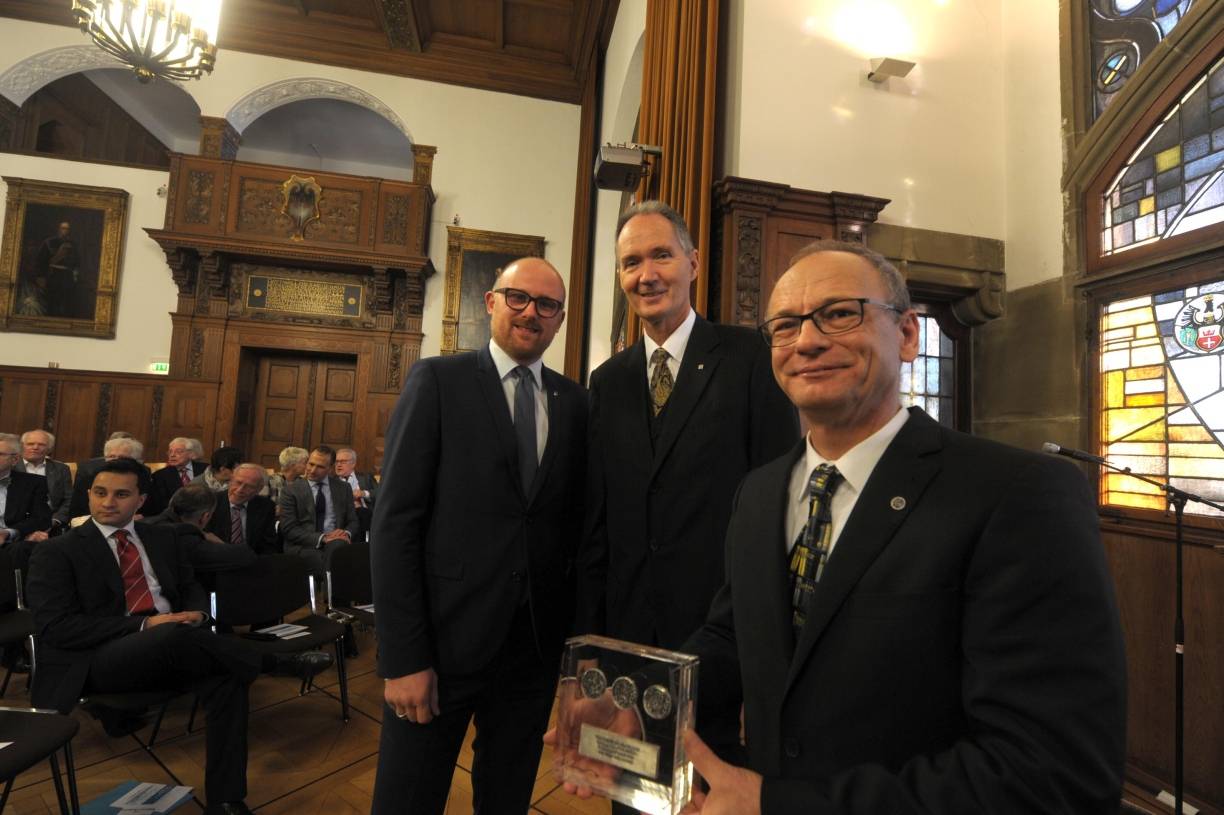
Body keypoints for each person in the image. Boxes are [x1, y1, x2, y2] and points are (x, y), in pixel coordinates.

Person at [557, 241, 1127, 813]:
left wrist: (782, 806)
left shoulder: (1017, 494)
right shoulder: (758, 494)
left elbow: (1055, 770)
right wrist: (644, 700)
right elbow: (734, 635)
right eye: (785, 326)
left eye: (838, 314)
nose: (806, 340)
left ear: (907, 335)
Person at [576, 202, 797, 769]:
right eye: (630, 262)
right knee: (631, 791)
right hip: (629, 643)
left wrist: (766, 654)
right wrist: (591, 647)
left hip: (722, 637)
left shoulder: (750, 358)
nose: (646, 274)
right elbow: (597, 522)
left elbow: (779, 507)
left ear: (693, 263)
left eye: (661, 255)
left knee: (711, 791)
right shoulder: (608, 381)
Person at [371, 257, 587, 814]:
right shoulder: (438, 381)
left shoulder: (575, 404)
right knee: (407, 799)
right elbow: (395, 527)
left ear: (560, 319)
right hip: (440, 648)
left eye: (546, 305)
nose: (530, 313)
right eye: (518, 298)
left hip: (531, 653)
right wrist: (402, 658)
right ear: (490, 302)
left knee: (507, 799)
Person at [27, 457, 332, 815]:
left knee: (226, 678)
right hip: (99, 657)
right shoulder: (58, 550)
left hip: (176, 644)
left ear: (141, 500)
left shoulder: (162, 537)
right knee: (172, 634)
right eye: (100, 493)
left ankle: (225, 799)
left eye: (121, 494)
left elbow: (189, 586)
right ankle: (272, 661)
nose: (108, 502)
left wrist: (199, 613)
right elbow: (56, 627)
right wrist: (145, 626)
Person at [278, 446, 359, 579]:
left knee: (337, 549)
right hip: (304, 545)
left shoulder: (343, 488)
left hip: (336, 542)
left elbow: (353, 520)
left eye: (320, 467)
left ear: (330, 467)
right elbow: (288, 528)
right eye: (311, 464)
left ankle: (331, 596)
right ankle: (333, 597)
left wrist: (345, 533)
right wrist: (323, 538)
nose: (312, 470)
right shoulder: (291, 491)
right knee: (326, 559)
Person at [143, 482, 257, 576]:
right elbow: (246, 555)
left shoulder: (144, 524)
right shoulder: (186, 540)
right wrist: (221, 544)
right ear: (205, 517)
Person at [0, 433, 52, 575]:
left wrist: (8, 533)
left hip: (10, 542)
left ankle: (15, 597)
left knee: (22, 550)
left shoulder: (33, 483)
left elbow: (42, 518)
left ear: (15, 459)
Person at [203, 463, 279, 556]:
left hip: (251, 561)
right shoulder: (210, 502)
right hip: (216, 558)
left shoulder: (265, 506)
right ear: (230, 481)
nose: (239, 490)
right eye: (238, 482)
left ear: (258, 489)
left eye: (249, 486)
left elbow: (268, 544)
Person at [68, 433, 142, 520]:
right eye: (112, 456)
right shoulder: (89, 474)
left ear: (134, 460)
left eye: (122, 457)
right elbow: (78, 508)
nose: (116, 460)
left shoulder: (142, 473)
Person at [16, 428, 73, 534]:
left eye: (41, 444)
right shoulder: (11, 467)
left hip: (51, 524)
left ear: (49, 448)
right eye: (30, 444)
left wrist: (55, 520)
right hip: (15, 523)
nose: (35, 447)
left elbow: (69, 499)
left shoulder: (61, 469)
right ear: (22, 446)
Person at [147, 437, 208, 518]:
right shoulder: (159, 476)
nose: (172, 455)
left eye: (178, 452)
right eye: (170, 451)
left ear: (191, 454)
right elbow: (159, 504)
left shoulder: (205, 470)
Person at [333, 447, 377, 541]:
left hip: (368, 513)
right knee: (360, 514)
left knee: (363, 513)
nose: (338, 465)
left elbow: (380, 493)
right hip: (346, 516)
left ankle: (366, 544)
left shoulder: (366, 478)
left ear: (353, 464)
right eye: (337, 462)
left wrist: (364, 493)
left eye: (343, 461)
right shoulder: (332, 481)